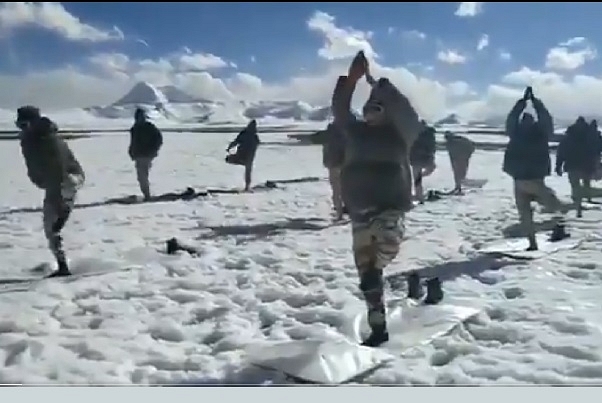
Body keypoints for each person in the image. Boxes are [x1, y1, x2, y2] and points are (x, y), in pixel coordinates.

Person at [332, 50, 439, 347]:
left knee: (388, 245)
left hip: (389, 208)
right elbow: (340, 108)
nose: (370, 112)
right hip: (360, 211)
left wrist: (382, 87)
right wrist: (351, 79)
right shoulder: (354, 132)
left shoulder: (399, 133)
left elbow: (409, 115)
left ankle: (383, 268)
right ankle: (378, 326)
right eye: (368, 108)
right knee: (367, 273)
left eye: (377, 108)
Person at [17, 106, 85, 277]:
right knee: (53, 226)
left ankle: (63, 267)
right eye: (21, 125)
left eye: (26, 124)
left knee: (52, 225)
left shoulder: (47, 140)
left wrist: (59, 198)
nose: (24, 128)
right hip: (56, 182)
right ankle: (62, 262)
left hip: (65, 180)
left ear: (34, 122)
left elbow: (58, 169)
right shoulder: (31, 139)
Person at [503, 86, 569, 250]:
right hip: (534, 179)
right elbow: (546, 119)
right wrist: (535, 103)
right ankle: (558, 227)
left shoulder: (515, 133)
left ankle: (533, 243)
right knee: (554, 205)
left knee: (525, 215)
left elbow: (511, 119)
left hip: (519, 180)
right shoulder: (541, 134)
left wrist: (523, 102)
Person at [555, 117, 600, 218]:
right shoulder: (589, 136)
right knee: (585, 183)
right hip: (586, 164)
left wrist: (558, 166)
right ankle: (586, 198)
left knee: (575, 186)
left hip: (572, 164)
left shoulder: (568, 137)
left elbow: (561, 152)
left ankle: (578, 204)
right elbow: (595, 150)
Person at [128, 107, 163, 201]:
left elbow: (158, 139)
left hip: (146, 155)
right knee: (141, 176)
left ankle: (147, 195)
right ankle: (146, 194)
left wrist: (153, 150)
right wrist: (131, 152)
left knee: (142, 175)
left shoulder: (149, 127)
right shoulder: (135, 129)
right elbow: (133, 142)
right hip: (138, 155)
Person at [226, 119, 260, 191]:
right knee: (247, 170)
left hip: (247, 156)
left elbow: (236, 142)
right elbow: (236, 142)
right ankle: (247, 186)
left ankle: (247, 186)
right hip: (243, 155)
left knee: (248, 171)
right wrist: (229, 147)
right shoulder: (247, 134)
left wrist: (230, 147)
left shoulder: (251, 135)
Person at [321, 123, 346, 220]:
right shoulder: (346, 137)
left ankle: (339, 213)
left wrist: (327, 163)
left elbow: (326, 152)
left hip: (333, 164)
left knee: (336, 191)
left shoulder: (328, 138)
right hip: (344, 164)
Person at [410, 121, 437, 203]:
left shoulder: (428, 134)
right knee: (418, 178)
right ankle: (419, 194)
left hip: (424, 157)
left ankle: (419, 194)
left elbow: (432, 145)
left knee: (429, 170)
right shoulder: (414, 133)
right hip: (417, 158)